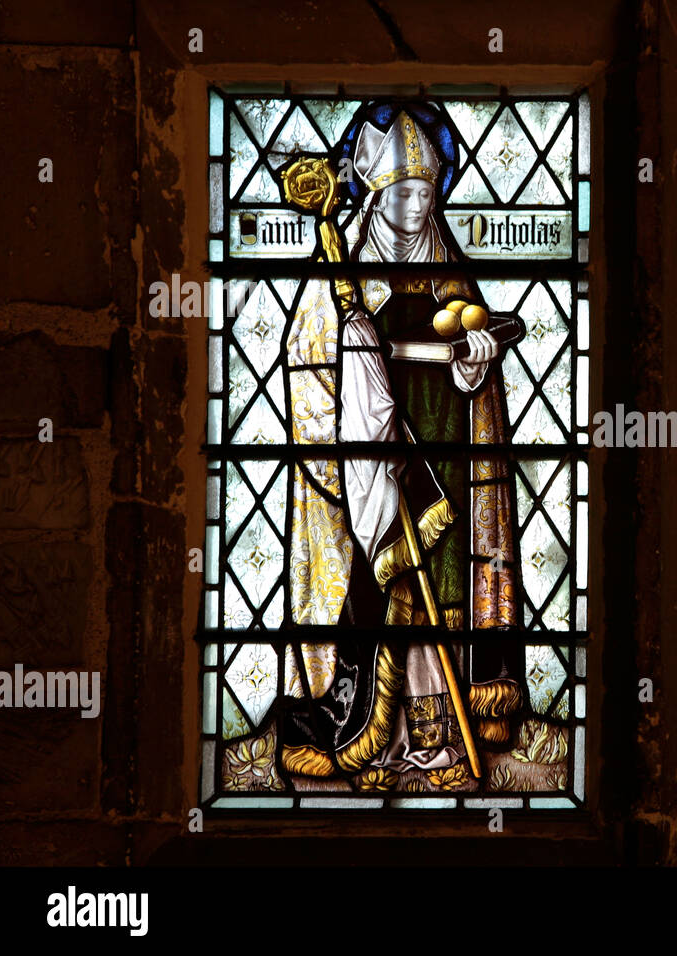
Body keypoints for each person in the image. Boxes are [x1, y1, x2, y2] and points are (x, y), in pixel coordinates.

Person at [279, 104, 525, 790]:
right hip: (379, 465)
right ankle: (379, 741)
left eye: (427, 190)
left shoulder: (450, 273)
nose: (417, 205)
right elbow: (309, 362)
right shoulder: (343, 280)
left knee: (442, 588)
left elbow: (477, 384)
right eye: (403, 192)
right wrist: (360, 364)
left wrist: (473, 362)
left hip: (447, 450)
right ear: (377, 194)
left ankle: (440, 741)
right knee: (390, 589)